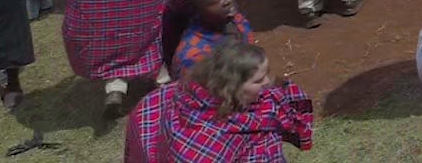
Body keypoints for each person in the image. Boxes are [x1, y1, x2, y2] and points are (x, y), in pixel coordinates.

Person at [125, 41, 314, 163]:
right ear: (232, 87)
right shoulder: (201, 140)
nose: (267, 82)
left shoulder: (260, 102)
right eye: (258, 80)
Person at [160, 0, 254, 77]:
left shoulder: (237, 21)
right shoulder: (194, 57)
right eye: (215, 0)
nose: (228, 1)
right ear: (195, 12)